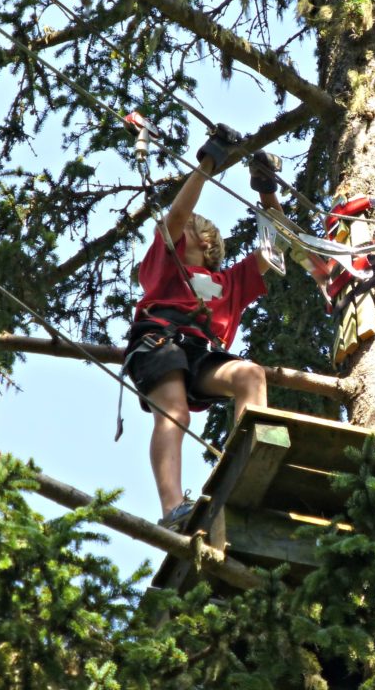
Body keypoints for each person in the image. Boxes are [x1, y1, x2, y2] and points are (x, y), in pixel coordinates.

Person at [124, 126, 285, 530]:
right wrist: (209, 161)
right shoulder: (165, 265)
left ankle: (246, 468)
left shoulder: (232, 282)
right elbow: (177, 214)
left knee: (249, 373)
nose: (179, 230)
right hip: (160, 338)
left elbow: (274, 245)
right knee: (175, 411)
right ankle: (173, 509)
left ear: (209, 242)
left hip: (203, 352)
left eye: (192, 229)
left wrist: (267, 190)